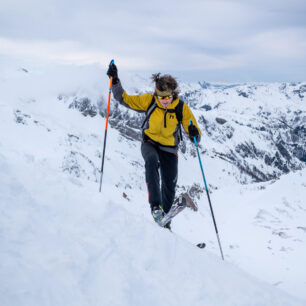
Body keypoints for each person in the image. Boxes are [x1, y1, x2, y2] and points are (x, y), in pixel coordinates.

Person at [107, 62, 201, 229]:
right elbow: (124, 99)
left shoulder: (181, 108)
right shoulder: (149, 101)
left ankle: (165, 221)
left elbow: (193, 129)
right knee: (151, 160)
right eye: (161, 97)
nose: (165, 101)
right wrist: (115, 81)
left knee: (169, 186)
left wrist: (194, 133)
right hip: (149, 143)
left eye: (168, 97)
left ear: (173, 94)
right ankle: (156, 208)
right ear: (156, 95)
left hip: (170, 149)